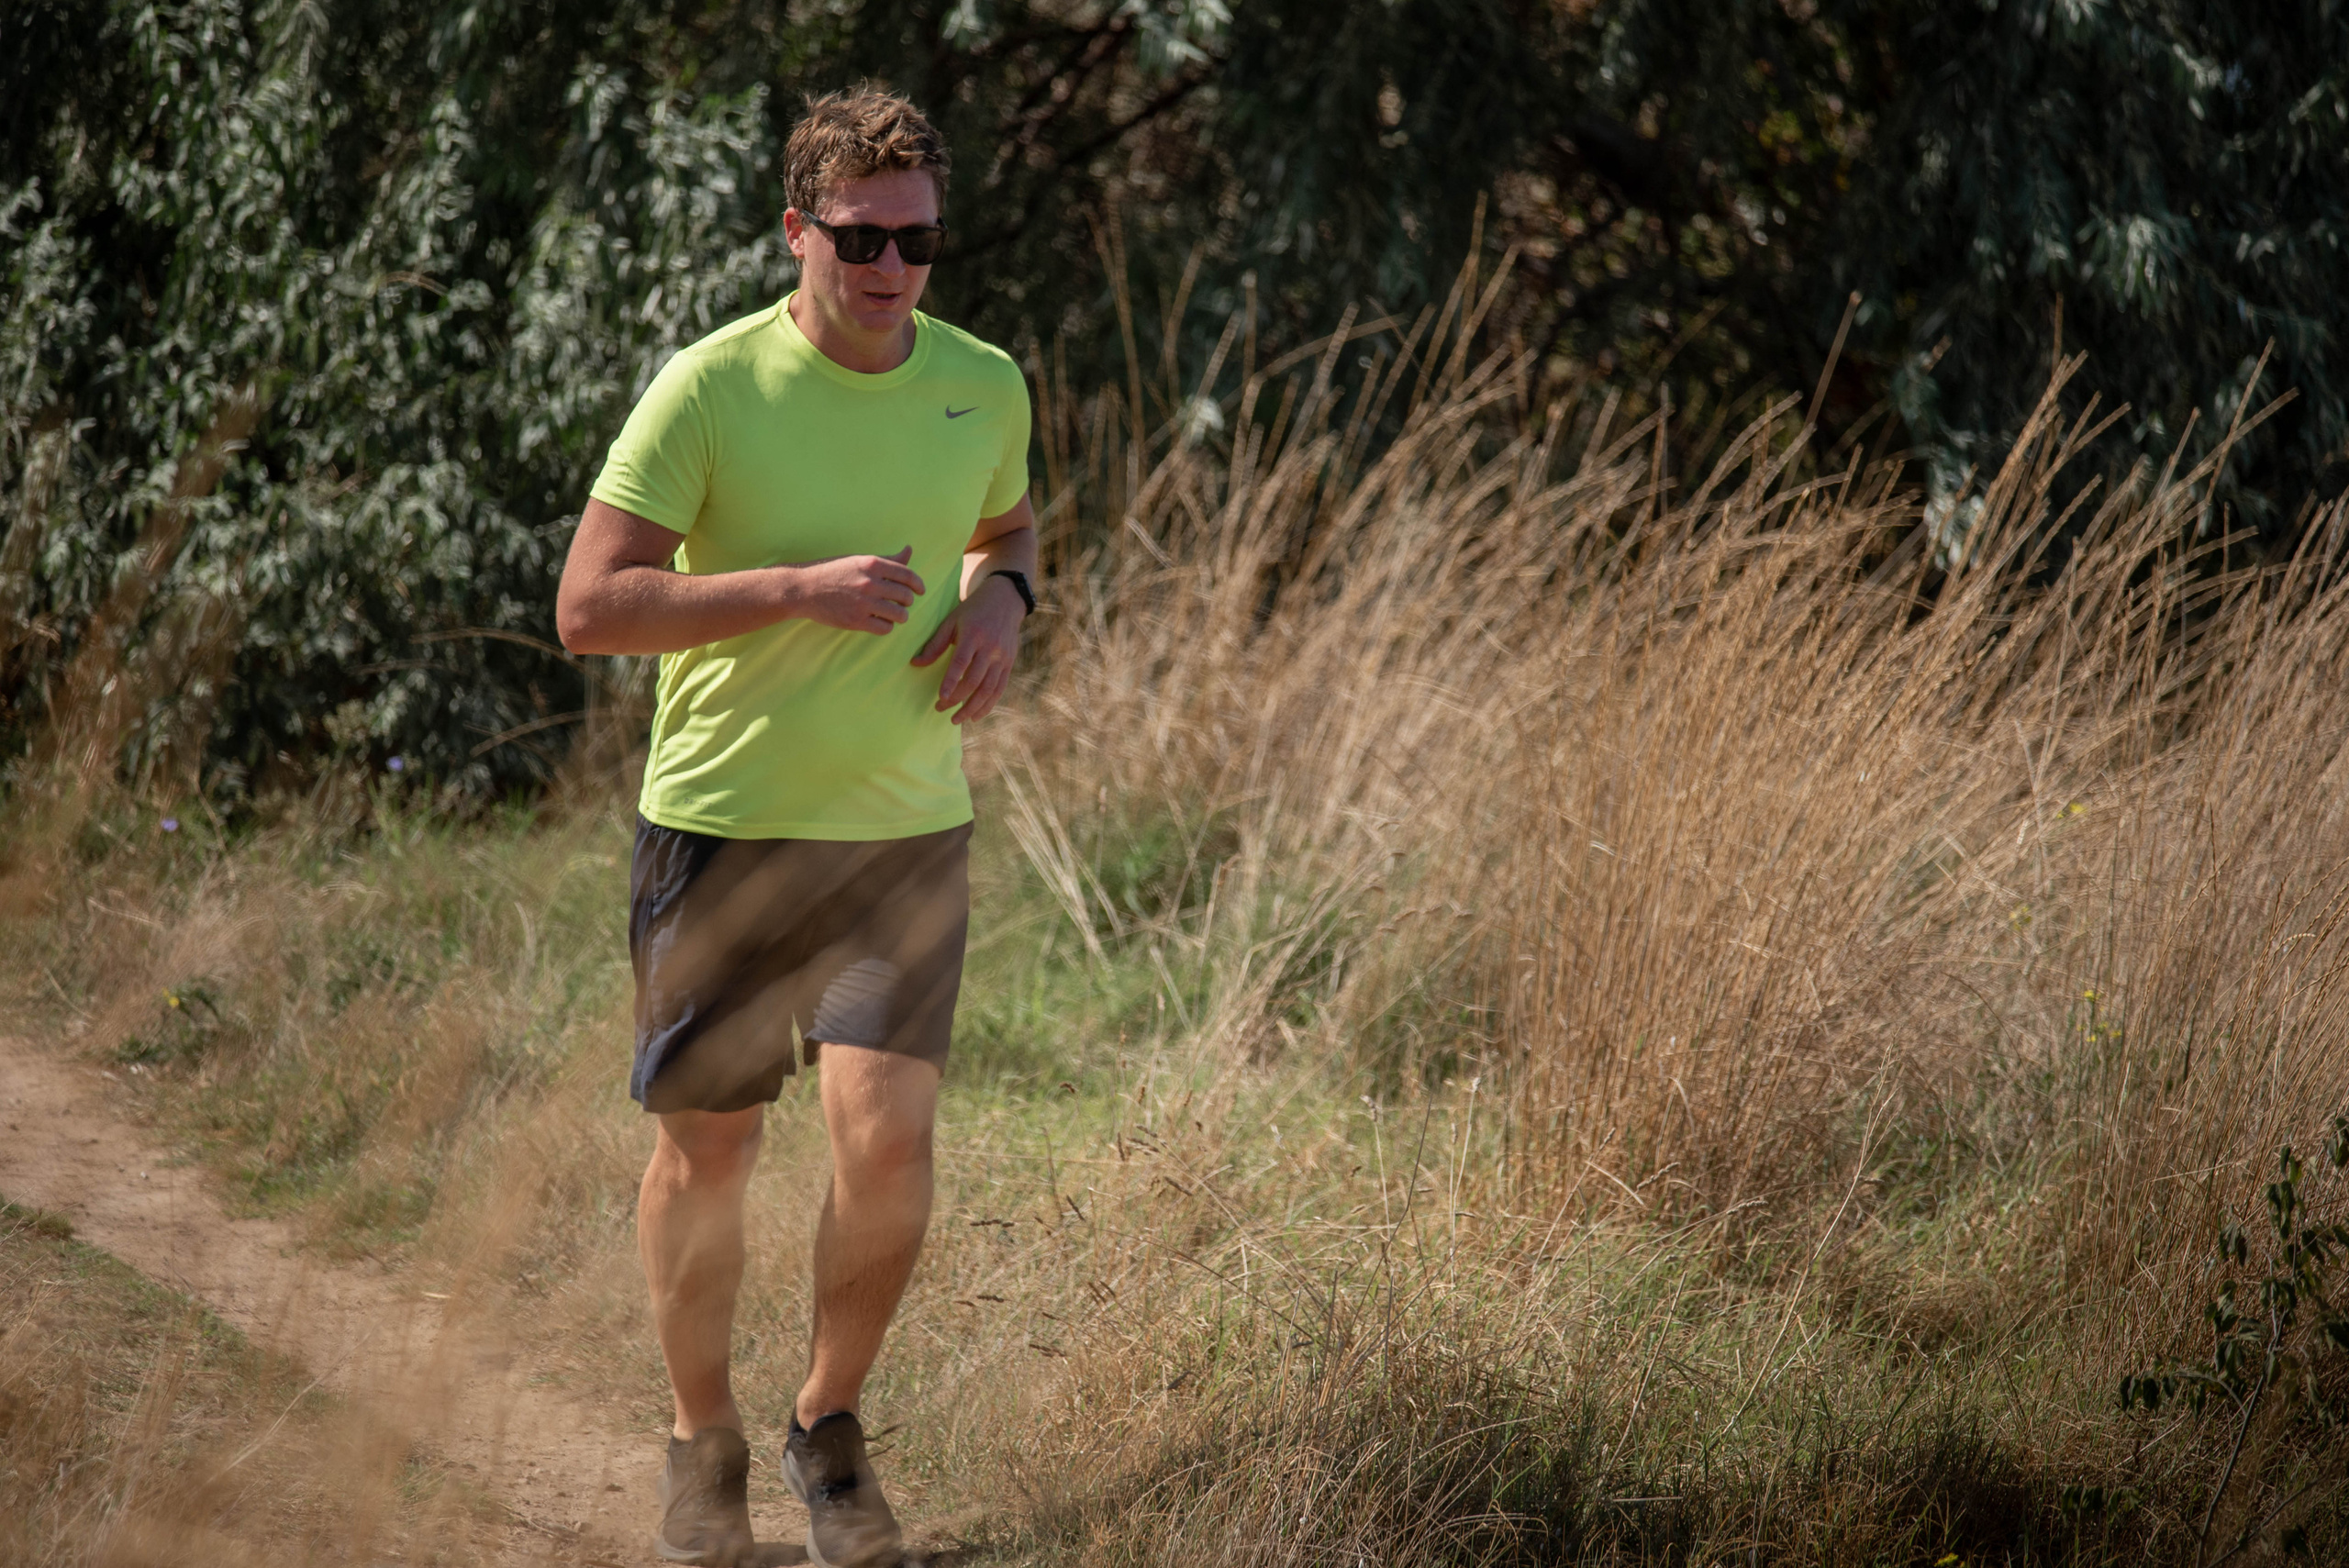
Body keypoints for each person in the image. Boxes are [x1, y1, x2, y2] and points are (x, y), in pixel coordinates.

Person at [554, 86, 1036, 1568]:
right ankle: (700, 1445)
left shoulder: (985, 383)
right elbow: (588, 607)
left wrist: (1007, 597)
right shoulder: (709, 389)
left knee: (889, 1149)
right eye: (862, 239)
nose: (893, 268)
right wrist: (791, 589)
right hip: (724, 829)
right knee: (709, 1155)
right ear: (799, 232)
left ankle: (827, 1432)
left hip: (903, 834)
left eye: (919, 241)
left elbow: (1005, 528)